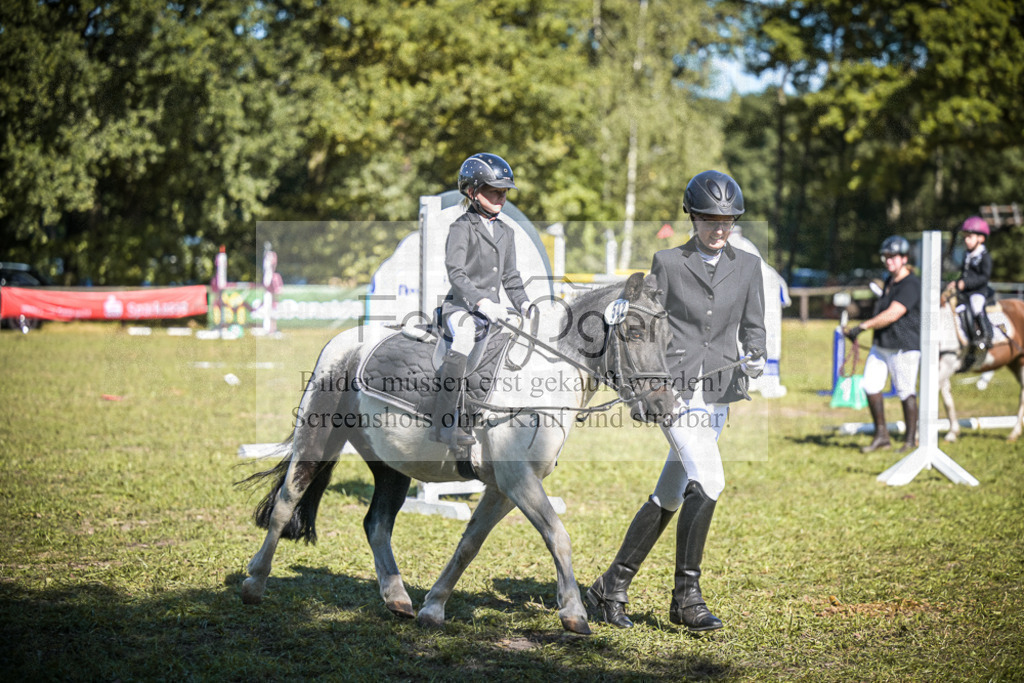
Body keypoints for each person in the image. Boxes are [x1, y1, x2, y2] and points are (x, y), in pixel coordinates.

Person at [586, 170, 766, 632]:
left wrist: (758, 354)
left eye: (726, 221)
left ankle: (610, 586)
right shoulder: (667, 261)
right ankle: (687, 599)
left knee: (669, 493)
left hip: (720, 390)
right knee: (709, 479)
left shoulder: (747, 266)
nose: (719, 229)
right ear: (692, 216)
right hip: (674, 390)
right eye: (710, 220)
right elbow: (649, 309)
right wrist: (620, 309)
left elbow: (753, 323)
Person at [431, 153, 530, 457]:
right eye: (493, 191)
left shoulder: (506, 231)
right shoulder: (462, 228)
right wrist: (481, 301)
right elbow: (456, 272)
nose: (501, 197)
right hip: (461, 308)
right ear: (473, 192)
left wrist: (526, 305)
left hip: (494, 311)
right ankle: (444, 422)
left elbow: (511, 277)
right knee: (463, 337)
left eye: (504, 192)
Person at [844, 236, 922, 454]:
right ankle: (882, 436)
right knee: (870, 385)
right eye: (886, 257)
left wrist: (862, 327)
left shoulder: (912, 284)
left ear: (904, 259)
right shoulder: (889, 281)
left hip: (903, 346)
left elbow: (894, 313)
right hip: (882, 345)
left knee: (906, 391)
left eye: (893, 257)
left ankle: (909, 440)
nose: (888, 261)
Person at [945, 216, 993, 352]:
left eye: (970, 237)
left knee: (976, 306)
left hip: (978, 291)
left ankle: (986, 335)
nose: (966, 240)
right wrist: (956, 283)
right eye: (965, 237)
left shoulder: (984, 256)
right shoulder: (967, 254)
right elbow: (964, 274)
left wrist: (964, 283)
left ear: (981, 238)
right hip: (966, 290)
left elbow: (984, 277)